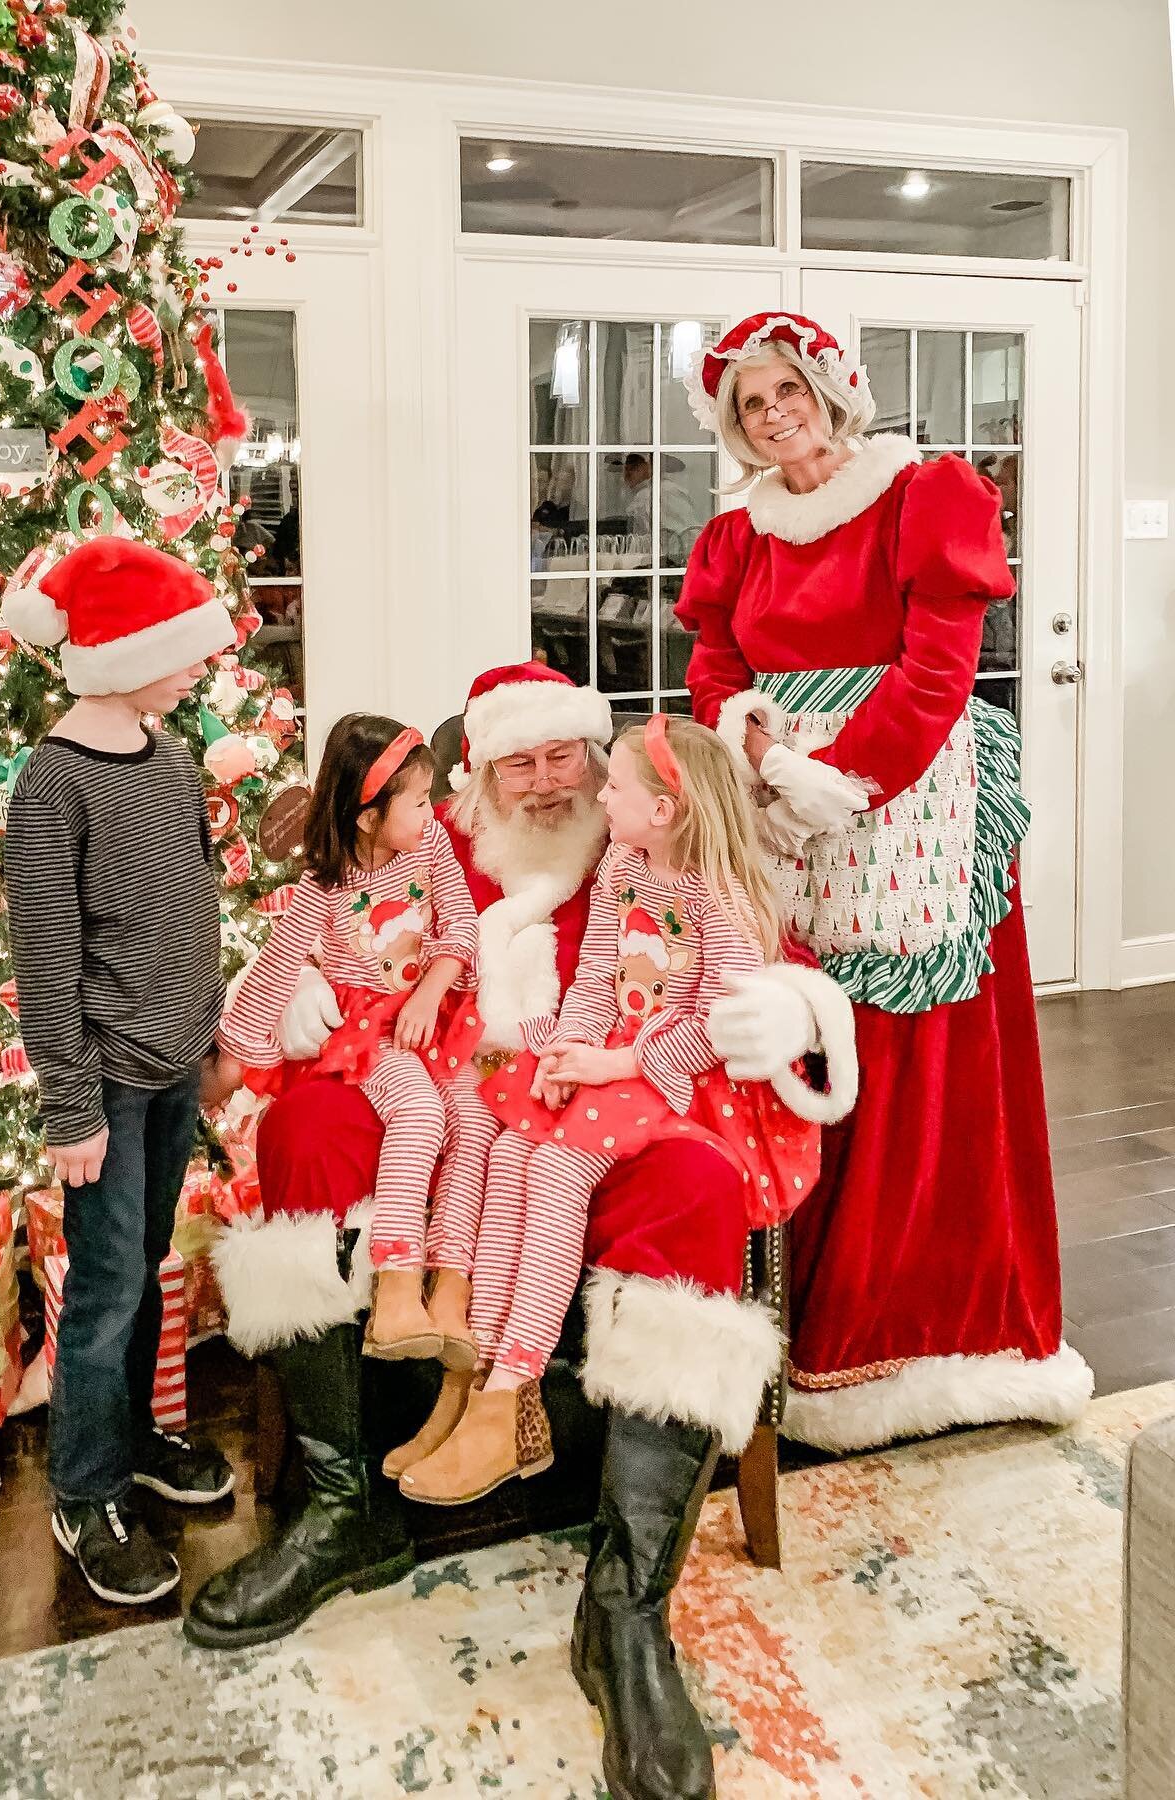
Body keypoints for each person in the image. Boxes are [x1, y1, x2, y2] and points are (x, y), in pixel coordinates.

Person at [187, 662, 856, 1800]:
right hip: (445, 1078)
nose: (544, 786)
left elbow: (755, 956)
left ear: (607, 773)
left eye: (564, 759)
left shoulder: (653, 854)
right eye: (517, 765)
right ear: (480, 778)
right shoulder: (439, 840)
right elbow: (336, 906)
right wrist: (295, 994)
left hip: (614, 1100)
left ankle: (626, 1607)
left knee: (693, 1191)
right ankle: (348, 1509)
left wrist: (782, 1010)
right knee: (305, 1124)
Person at [677, 310, 1093, 1453]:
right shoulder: (738, 534)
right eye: (749, 404)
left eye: (785, 391)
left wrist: (840, 779)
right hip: (781, 811)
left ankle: (923, 1326)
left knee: (914, 1051)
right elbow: (717, 660)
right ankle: (804, 1311)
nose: (772, 416)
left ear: (828, 387)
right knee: (806, 1027)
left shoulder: (927, 495)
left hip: (910, 805)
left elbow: (933, 675)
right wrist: (761, 753)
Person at [397, 716, 821, 1508]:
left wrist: (617, 1061)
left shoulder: (716, 894)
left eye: (615, 784)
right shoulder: (626, 863)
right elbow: (595, 976)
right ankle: (482, 1376)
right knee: (512, 1149)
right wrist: (567, 1053)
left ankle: (515, 1375)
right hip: (609, 1055)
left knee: (555, 1168)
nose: (599, 791)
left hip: (681, 1080)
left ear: (663, 809)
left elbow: (720, 1030)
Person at [2, 537, 238, 1608]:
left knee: (147, 1266)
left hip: (177, 1065)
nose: (199, 670)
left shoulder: (172, 758)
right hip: (104, 1086)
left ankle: (137, 1433)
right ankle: (85, 1488)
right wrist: (69, 1107)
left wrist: (212, 1036)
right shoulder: (54, 784)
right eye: (184, 652)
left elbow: (195, 906)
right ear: (119, 652)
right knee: (102, 1292)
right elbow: (46, 956)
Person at [210, 713, 497, 1363]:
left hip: (437, 1013)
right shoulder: (323, 887)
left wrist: (429, 992)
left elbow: (460, 928)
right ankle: (397, 1288)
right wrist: (229, 1065)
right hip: (374, 1033)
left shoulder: (431, 849)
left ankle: (450, 1290)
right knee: (420, 1113)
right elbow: (277, 968)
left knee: (475, 1122)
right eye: (420, 801)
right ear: (368, 816)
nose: (433, 811)